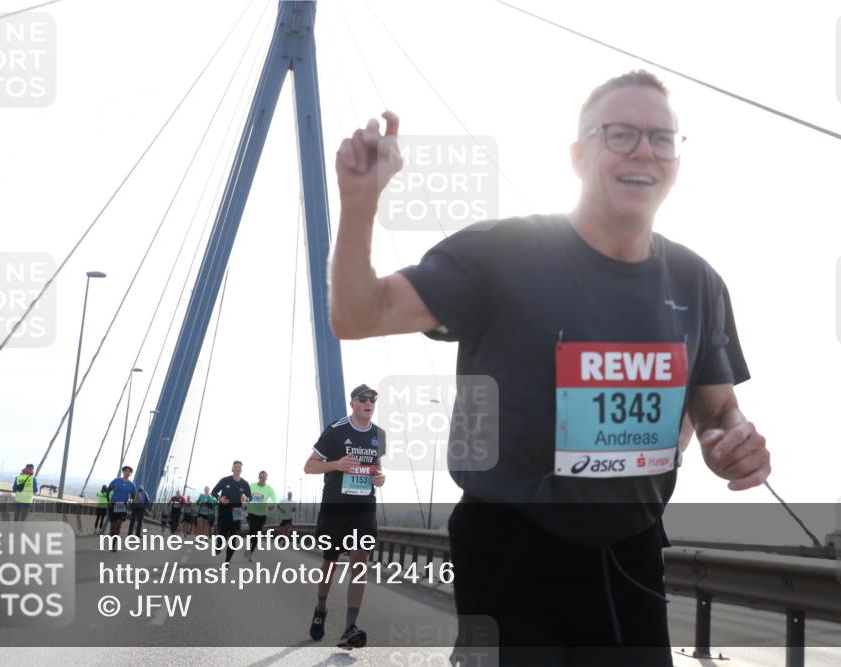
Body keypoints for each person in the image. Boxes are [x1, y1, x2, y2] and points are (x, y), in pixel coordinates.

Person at [327, 72, 771, 665]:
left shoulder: (698, 283)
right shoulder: (500, 253)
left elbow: (716, 410)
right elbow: (360, 315)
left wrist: (730, 442)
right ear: (577, 154)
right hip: (510, 548)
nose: (644, 150)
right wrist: (360, 207)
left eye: (662, 138)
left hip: (629, 557)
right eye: (620, 134)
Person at [303, 384, 386, 650]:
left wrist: (379, 477)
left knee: (360, 561)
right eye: (364, 398)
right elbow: (309, 466)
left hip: (364, 508)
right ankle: (321, 607)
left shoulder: (378, 434)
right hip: (335, 507)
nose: (369, 402)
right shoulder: (336, 430)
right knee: (331, 563)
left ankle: (350, 627)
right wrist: (336, 465)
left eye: (373, 399)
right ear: (353, 403)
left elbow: (377, 466)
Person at [210, 461, 251, 566]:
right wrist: (220, 498)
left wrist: (246, 498)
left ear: (241, 470)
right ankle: (219, 544)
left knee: (233, 538)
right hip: (224, 510)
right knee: (222, 536)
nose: (237, 468)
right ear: (232, 469)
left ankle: (227, 562)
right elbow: (213, 492)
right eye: (235, 467)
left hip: (237, 512)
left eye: (239, 467)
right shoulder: (225, 480)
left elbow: (250, 497)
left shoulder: (245, 484)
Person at [244, 470, 277, 561]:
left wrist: (272, 506)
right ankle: (248, 548)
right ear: (258, 477)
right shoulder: (252, 486)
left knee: (257, 535)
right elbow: (245, 496)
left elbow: (275, 498)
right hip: (251, 513)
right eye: (261, 477)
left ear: (266, 478)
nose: (262, 479)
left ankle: (250, 552)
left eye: (264, 477)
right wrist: (245, 504)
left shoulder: (269, 489)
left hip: (262, 514)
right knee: (253, 531)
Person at [106, 465, 136, 551]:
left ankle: (113, 545)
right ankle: (112, 535)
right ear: (123, 472)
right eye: (126, 471)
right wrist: (108, 500)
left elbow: (133, 496)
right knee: (113, 526)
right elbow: (108, 490)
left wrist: (131, 501)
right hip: (113, 504)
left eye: (129, 471)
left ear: (130, 474)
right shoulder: (116, 481)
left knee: (118, 525)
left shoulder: (131, 485)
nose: (127, 472)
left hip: (122, 506)